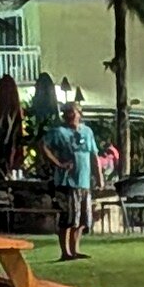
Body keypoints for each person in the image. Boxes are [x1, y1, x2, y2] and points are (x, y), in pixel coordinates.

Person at [49, 110, 104, 263]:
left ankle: (75, 249)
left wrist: (99, 177)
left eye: (74, 113)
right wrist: (58, 164)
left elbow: (94, 155)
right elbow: (43, 146)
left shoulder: (87, 131)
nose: (71, 117)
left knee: (83, 219)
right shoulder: (59, 132)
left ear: (80, 114)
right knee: (69, 218)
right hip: (67, 182)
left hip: (84, 181)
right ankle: (65, 252)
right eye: (68, 114)